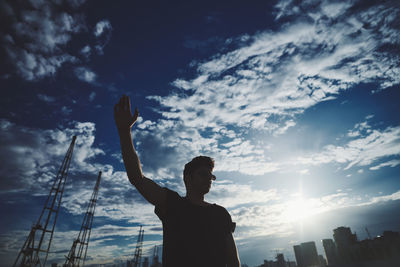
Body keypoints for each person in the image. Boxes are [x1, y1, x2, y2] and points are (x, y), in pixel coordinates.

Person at [114, 95, 240, 267]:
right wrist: (124, 131)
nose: (209, 179)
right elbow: (137, 178)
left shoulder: (221, 213)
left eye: (211, 176)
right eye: (203, 174)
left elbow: (234, 262)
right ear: (188, 178)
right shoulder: (172, 204)